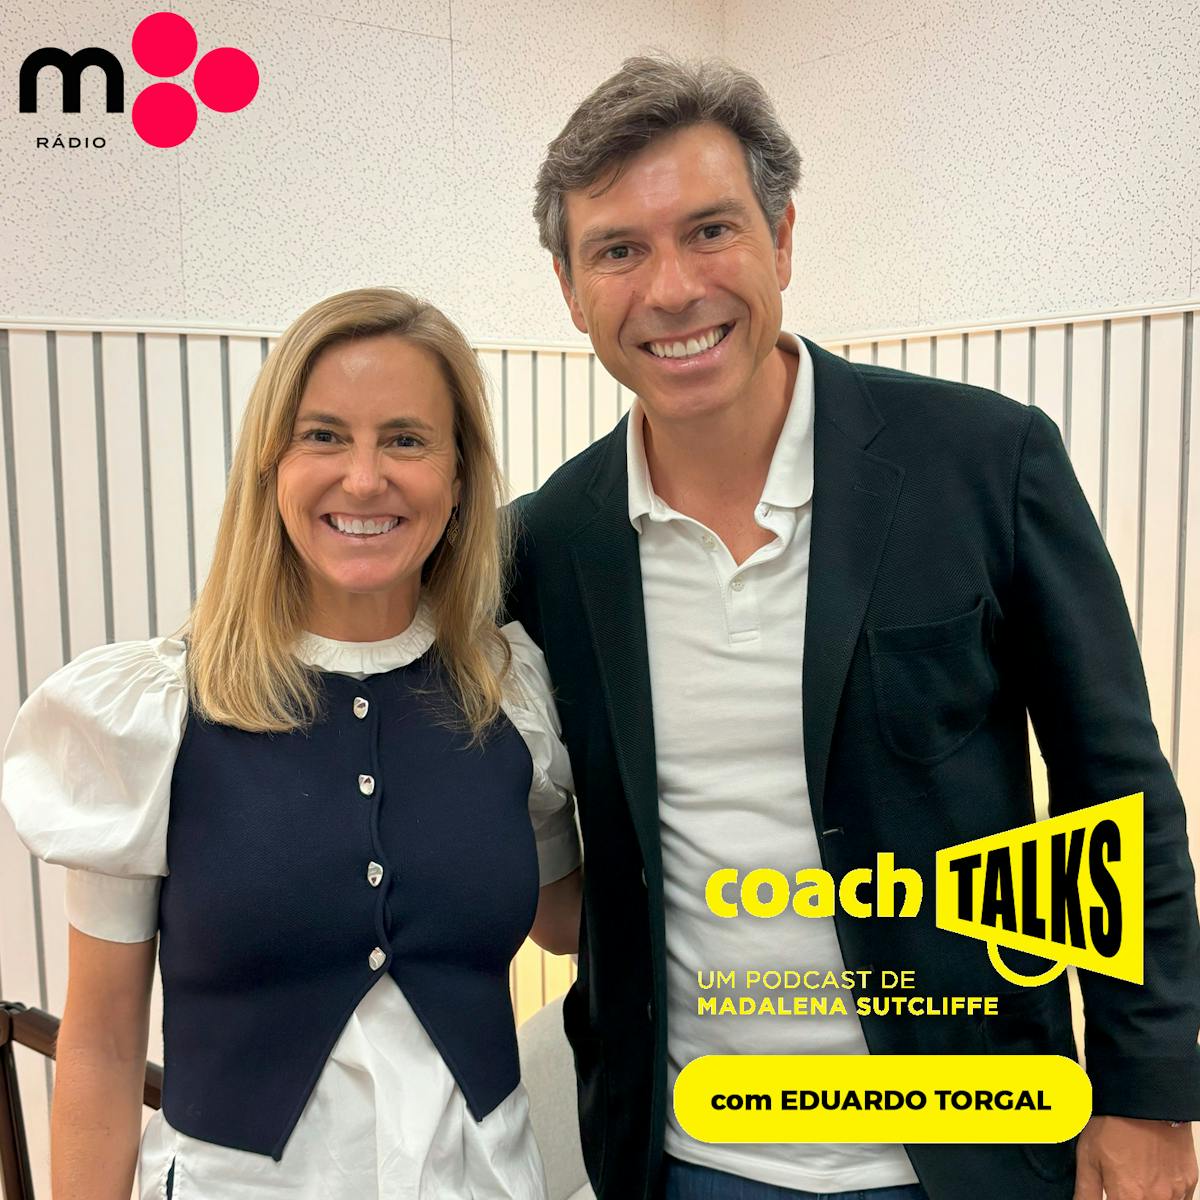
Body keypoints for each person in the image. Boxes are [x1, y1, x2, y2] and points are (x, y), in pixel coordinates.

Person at [506, 55, 1200, 1200]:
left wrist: (1146, 1094)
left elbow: (1112, 792)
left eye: (711, 231)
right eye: (618, 250)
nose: (672, 288)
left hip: (973, 1150)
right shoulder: (550, 543)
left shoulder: (986, 463)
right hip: (687, 1160)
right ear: (571, 290)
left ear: (782, 238)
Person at [2, 287, 582, 1200]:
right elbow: (104, 1043)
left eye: (406, 439)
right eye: (323, 436)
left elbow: (565, 918)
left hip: (484, 1179)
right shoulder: (153, 716)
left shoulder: (509, 694)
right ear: (269, 466)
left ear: (460, 476)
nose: (365, 478)